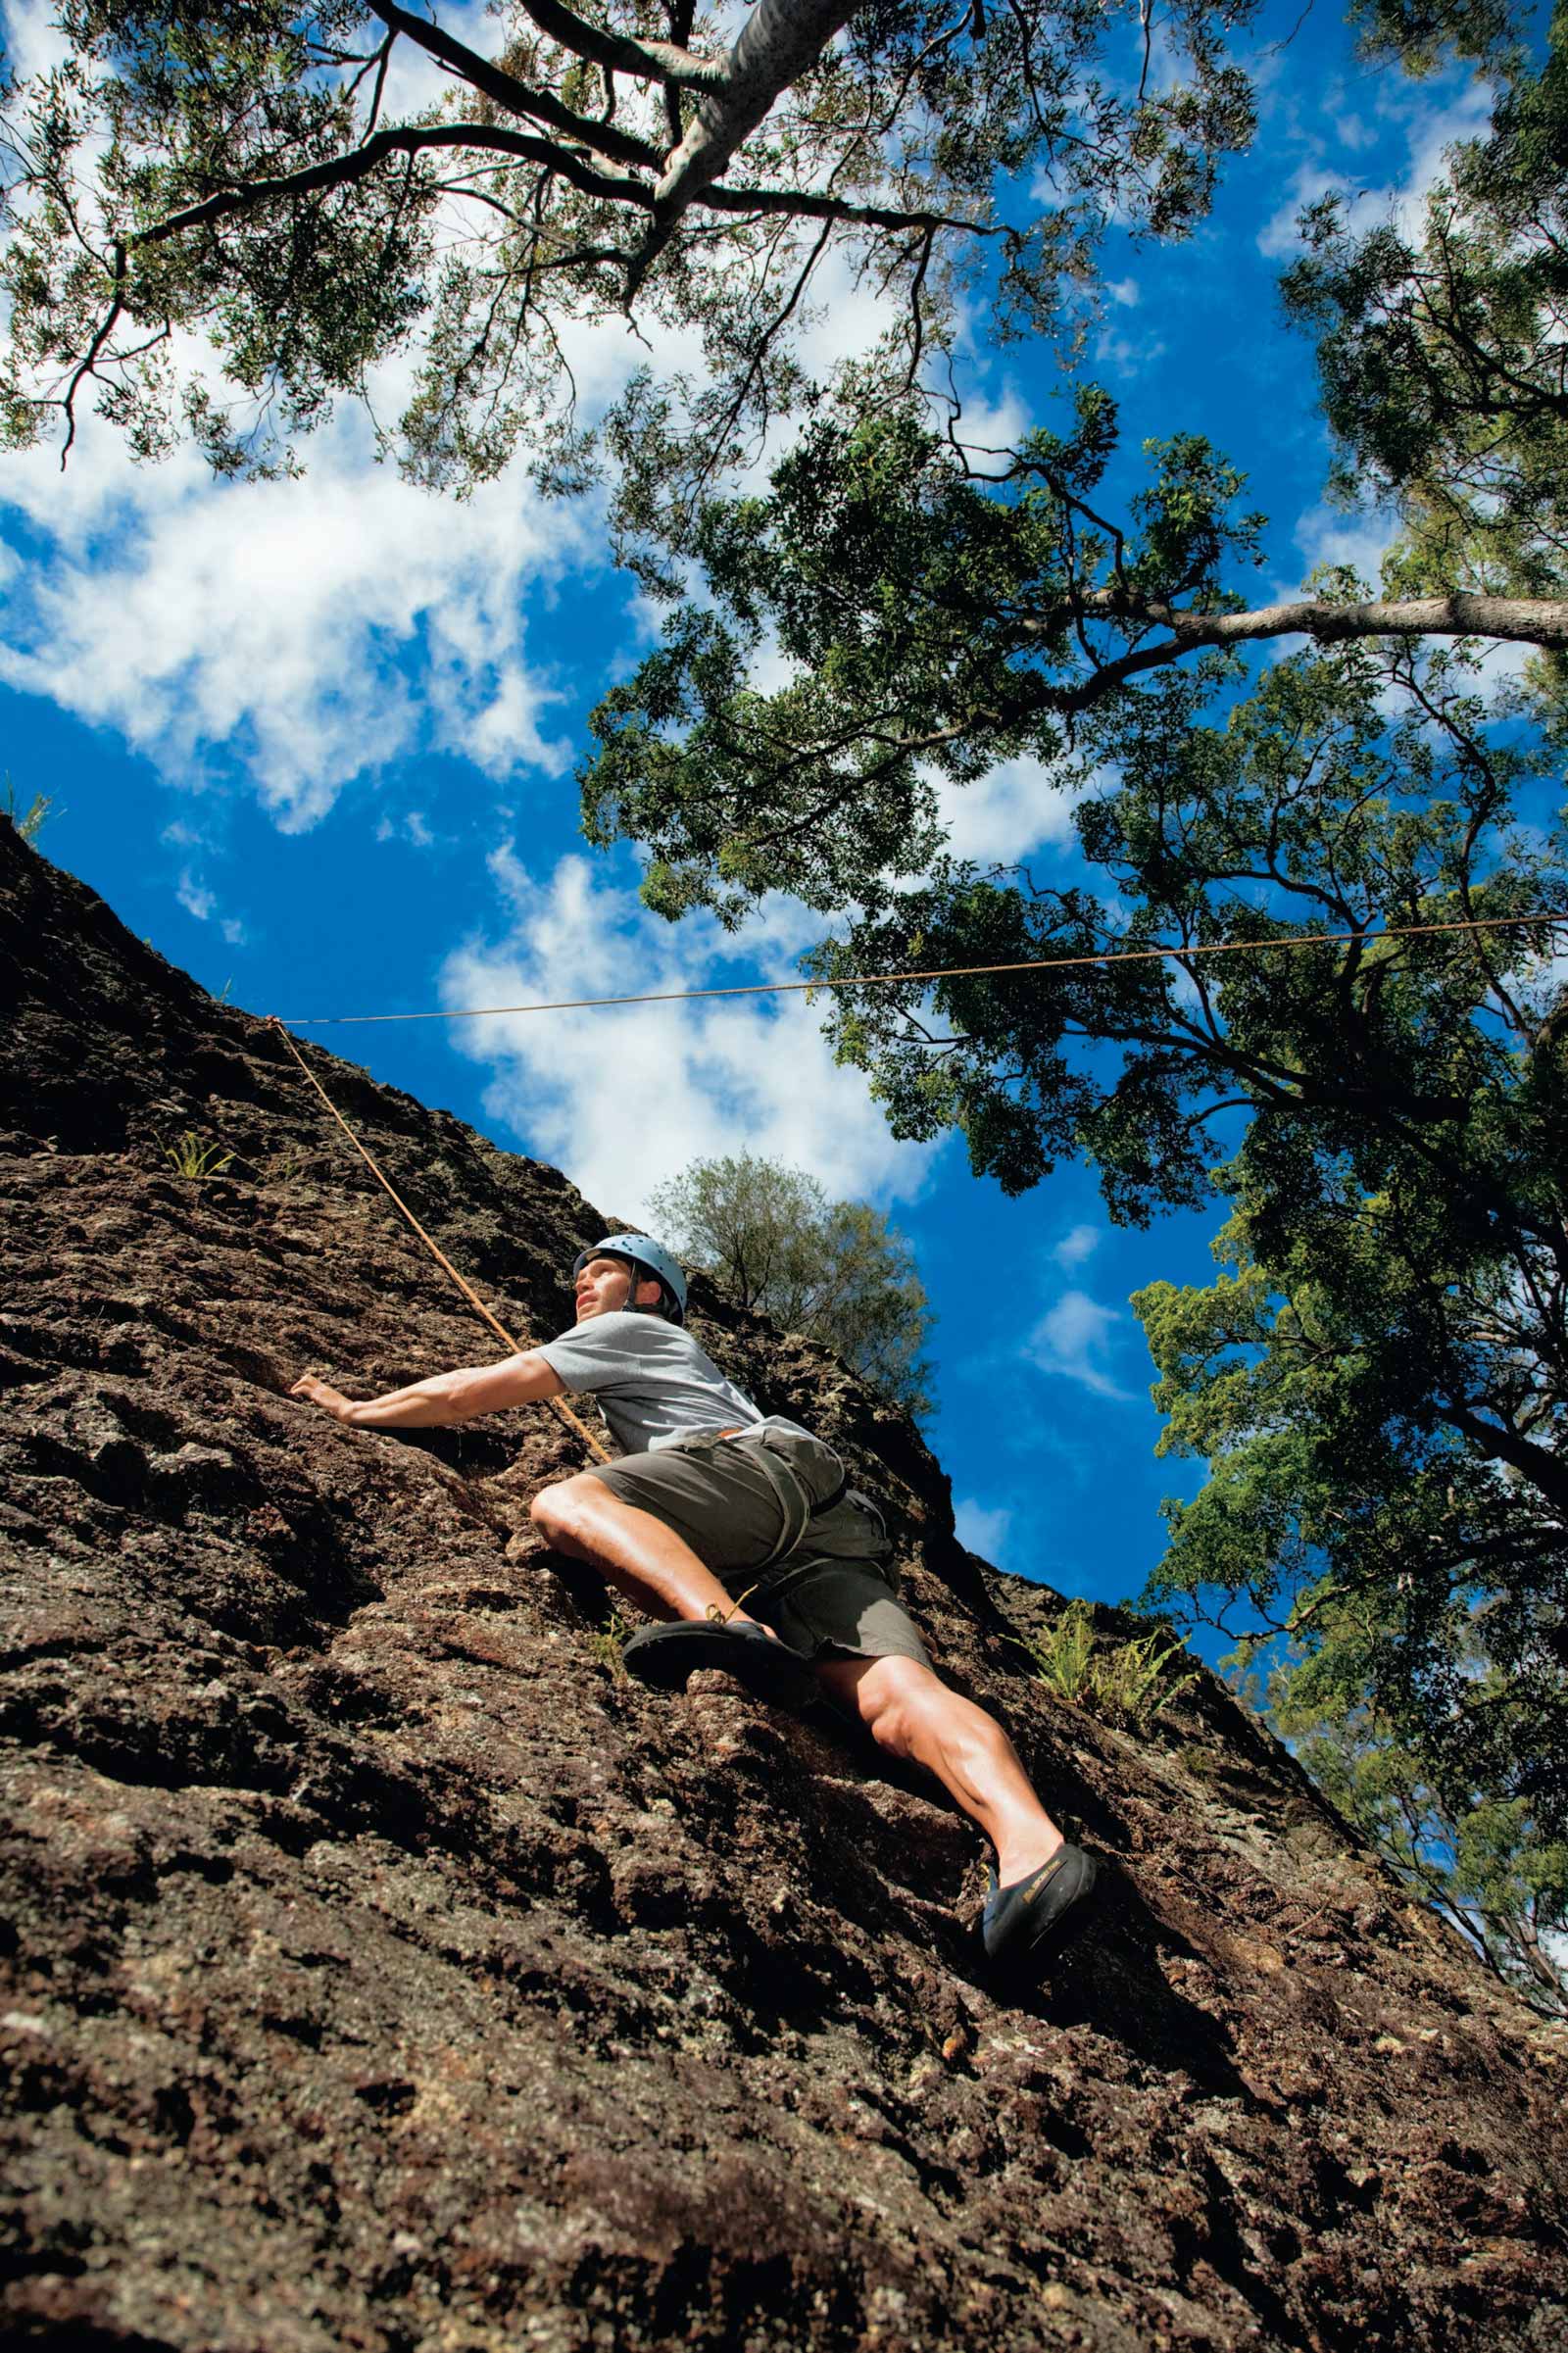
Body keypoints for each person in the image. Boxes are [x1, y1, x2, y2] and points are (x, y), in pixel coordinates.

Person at [291, 1233, 1097, 1975]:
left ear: (649, 1293)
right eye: (580, 1273)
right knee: (895, 1699)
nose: (582, 1282)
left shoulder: (627, 1333)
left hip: (747, 1480)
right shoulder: (682, 1362)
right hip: (827, 1529)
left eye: (602, 1269)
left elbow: (475, 1391)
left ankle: (727, 1625)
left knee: (568, 1503)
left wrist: (358, 1410)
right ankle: (1032, 1850)